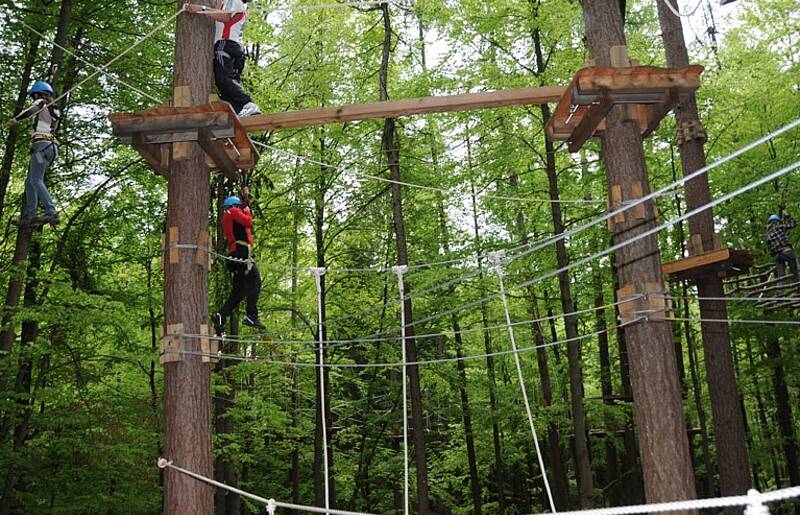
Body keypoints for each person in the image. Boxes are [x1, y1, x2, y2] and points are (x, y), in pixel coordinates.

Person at [185, 0, 261, 117]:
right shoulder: (234, 5)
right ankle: (239, 111)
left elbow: (225, 17)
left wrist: (201, 8)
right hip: (235, 48)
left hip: (226, 45)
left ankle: (247, 103)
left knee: (224, 79)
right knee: (228, 87)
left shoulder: (235, 1)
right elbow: (220, 12)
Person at [6, 80, 61, 225]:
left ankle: (51, 211)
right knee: (31, 181)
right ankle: (30, 215)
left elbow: (30, 112)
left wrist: (15, 119)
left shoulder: (40, 103)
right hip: (51, 148)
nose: (33, 99)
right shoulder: (55, 109)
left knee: (36, 180)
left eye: (33, 96)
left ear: (37, 94)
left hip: (41, 146)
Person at [213, 193, 265, 338]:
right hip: (240, 254)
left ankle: (221, 315)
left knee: (239, 291)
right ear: (235, 206)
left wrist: (246, 200)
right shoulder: (233, 211)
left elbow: (245, 223)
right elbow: (248, 222)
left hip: (236, 255)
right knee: (255, 281)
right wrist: (247, 210)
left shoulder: (229, 215)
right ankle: (251, 315)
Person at [766, 212, 798, 286]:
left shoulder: (768, 234)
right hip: (787, 251)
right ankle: (798, 290)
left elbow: (769, 249)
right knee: (795, 273)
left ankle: (780, 294)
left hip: (777, 256)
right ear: (777, 222)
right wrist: (787, 215)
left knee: (781, 276)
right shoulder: (779, 227)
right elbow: (793, 224)